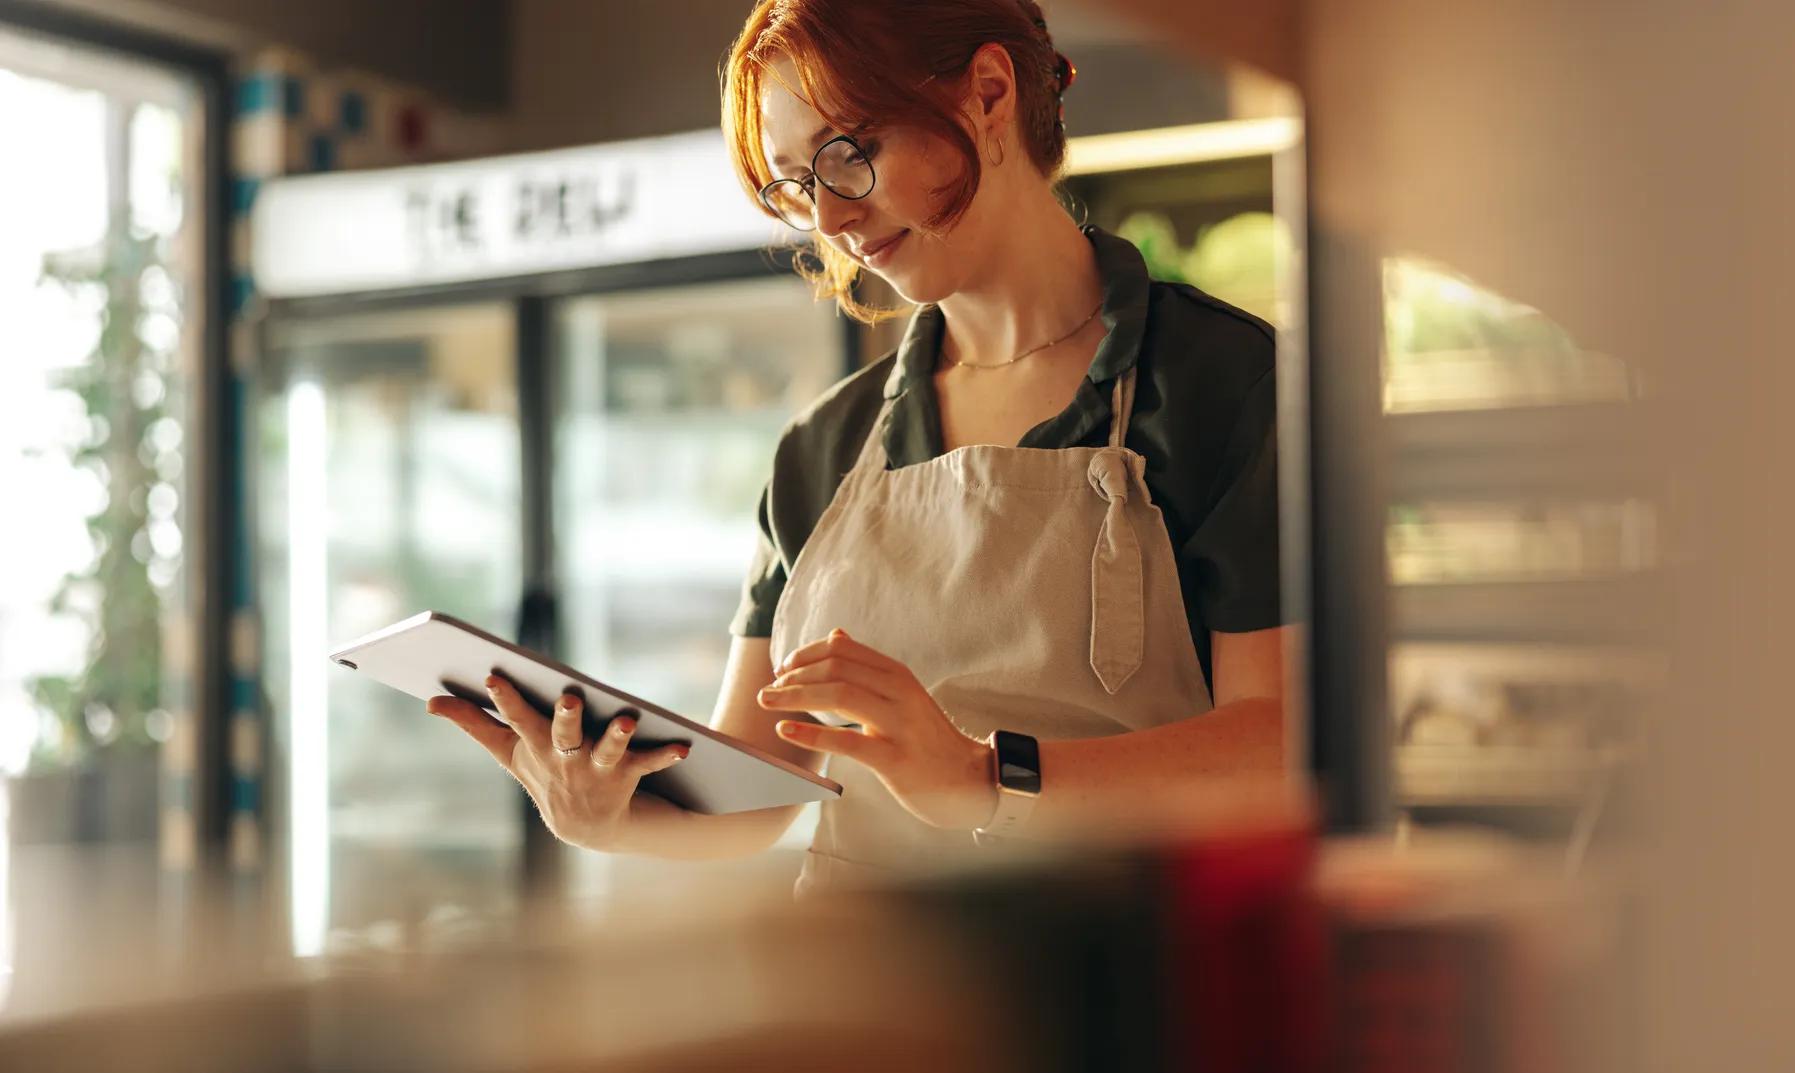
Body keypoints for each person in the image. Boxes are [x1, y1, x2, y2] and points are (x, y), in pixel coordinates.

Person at [427, 0, 1290, 895]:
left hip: (1116, 994)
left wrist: (986, 781)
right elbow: (760, 792)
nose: (832, 221)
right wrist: (612, 814)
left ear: (989, 94)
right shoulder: (822, 448)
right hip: (862, 1005)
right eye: (797, 186)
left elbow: (1281, 744)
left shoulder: (1220, 383)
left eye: (849, 155)